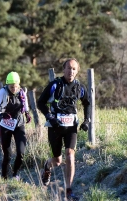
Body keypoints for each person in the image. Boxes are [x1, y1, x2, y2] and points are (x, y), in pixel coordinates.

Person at [37, 58, 90, 201]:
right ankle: (47, 167)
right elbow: (40, 102)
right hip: (55, 126)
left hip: (71, 126)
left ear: (77, 71)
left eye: (74, 69)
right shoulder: (55, 85)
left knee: (70, 155)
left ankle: (69, 191)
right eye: (68, 68)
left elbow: (87, 103)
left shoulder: (80, 87)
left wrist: (86, 120)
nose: (71, 71)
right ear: (64, 69)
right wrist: (50, 117)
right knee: (57, 160)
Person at [0, 71, 31, 180]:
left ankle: (15, 174)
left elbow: (25, 104)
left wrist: (27, 113)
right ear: (7, 85)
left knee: (21, 152)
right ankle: (4, 177)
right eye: (11, 87)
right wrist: (1, 114)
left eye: (15, 86)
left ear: (19, 85)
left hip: (18, 124)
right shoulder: (3, 92)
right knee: (8, 155)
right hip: (5, 125)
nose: (13, 89)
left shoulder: (21, 92)